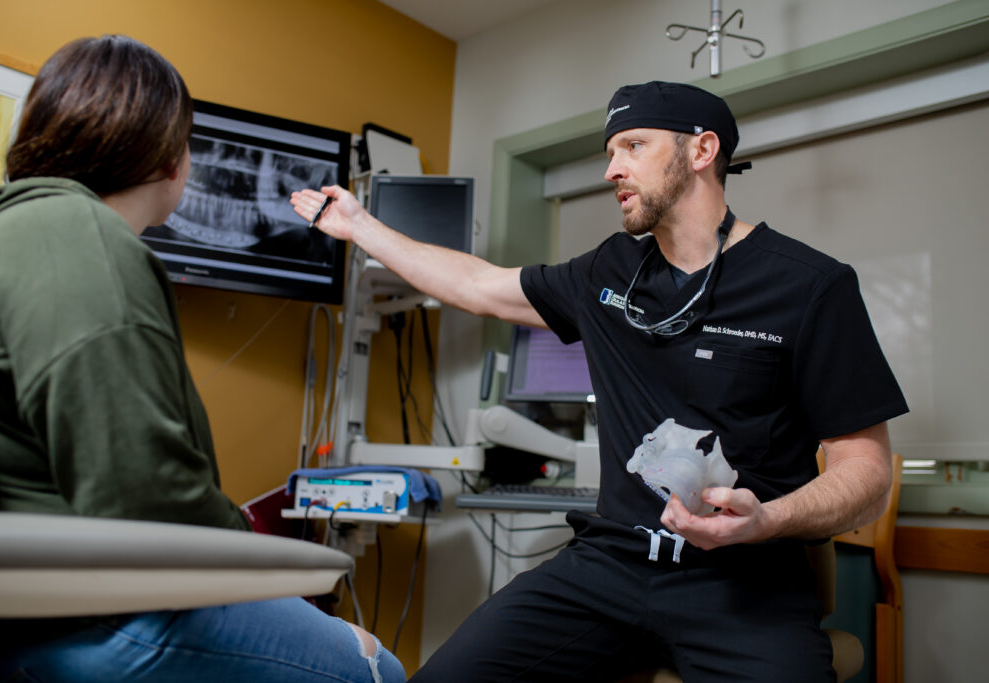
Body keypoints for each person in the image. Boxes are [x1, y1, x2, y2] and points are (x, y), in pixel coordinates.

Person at [290, 80, 908, 682]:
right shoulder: (608, 271)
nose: (612, 168)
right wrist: (358, 226)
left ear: (701, 150)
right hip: (608, 568)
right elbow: (478, 287)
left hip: (746, 584)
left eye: (633, 146)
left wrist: (765, 520)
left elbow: (866, 472)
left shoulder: (809, 287)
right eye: (609, 152)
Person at [0, 35, 405, 683]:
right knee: (375, 665)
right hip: (88, 613)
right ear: (172, 158)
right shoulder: (83, 237)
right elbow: (144, 493)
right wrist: (253, 549)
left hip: (6, 612)